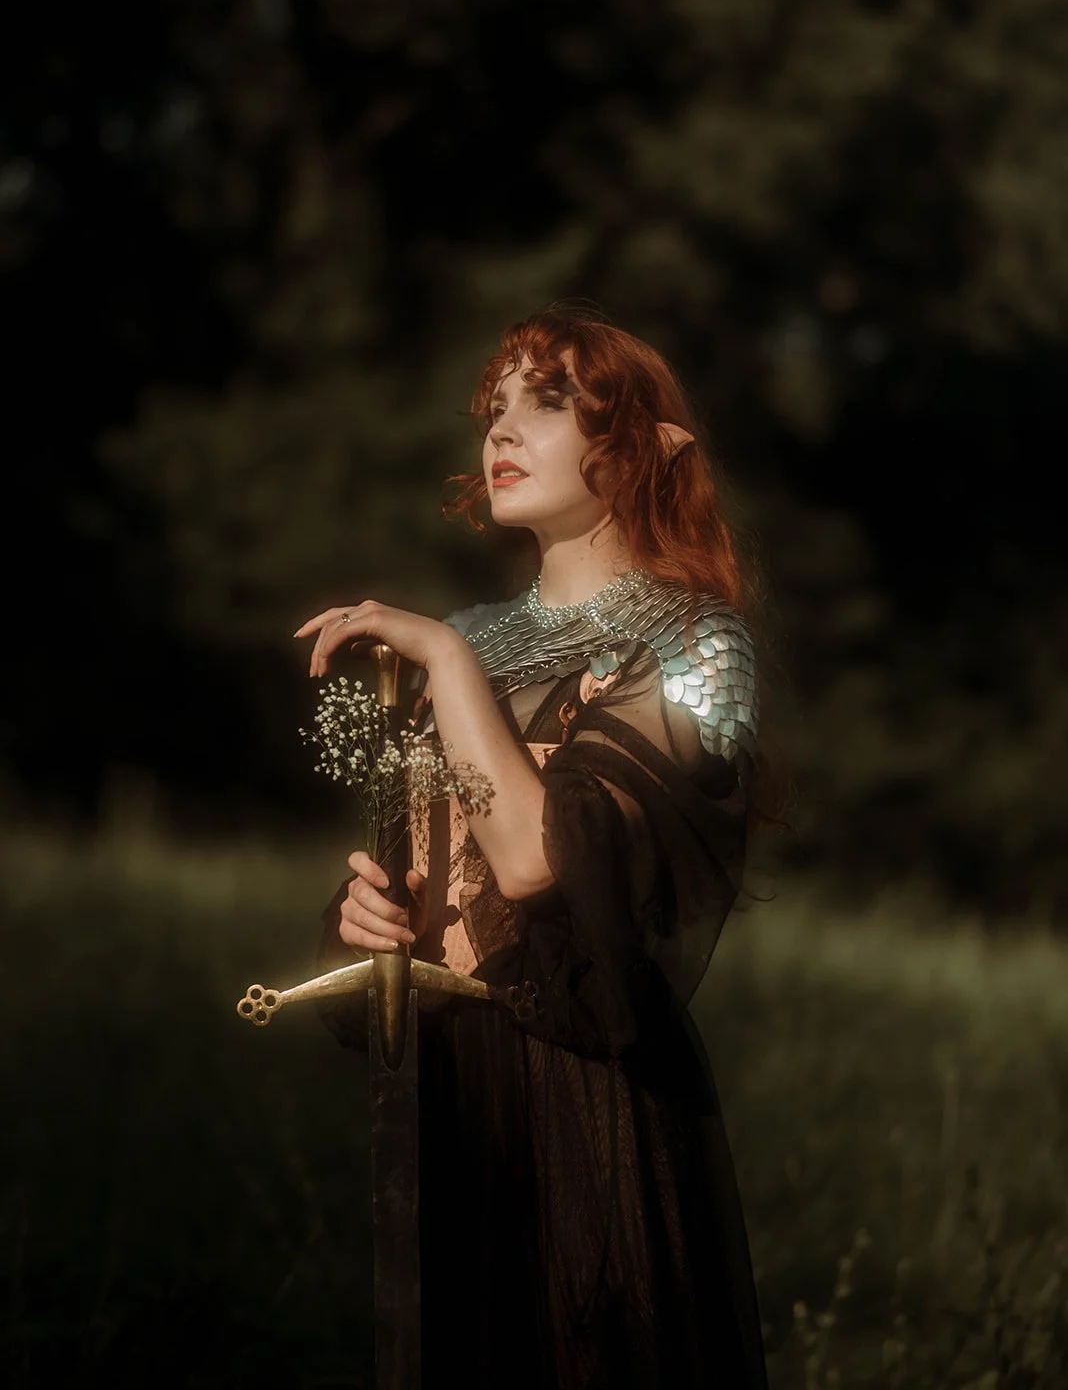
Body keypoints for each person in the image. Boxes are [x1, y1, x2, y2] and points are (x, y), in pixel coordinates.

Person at [295, 305, 775, 1390]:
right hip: (451, 1103)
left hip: (587, 1103)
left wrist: (440, 656)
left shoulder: (696, 640)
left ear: (646, 446)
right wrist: (367, 910)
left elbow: (539, 860)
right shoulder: (468, 638)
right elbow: (443, 860)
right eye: (494, 407)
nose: (502, 430)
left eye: (548, 403)